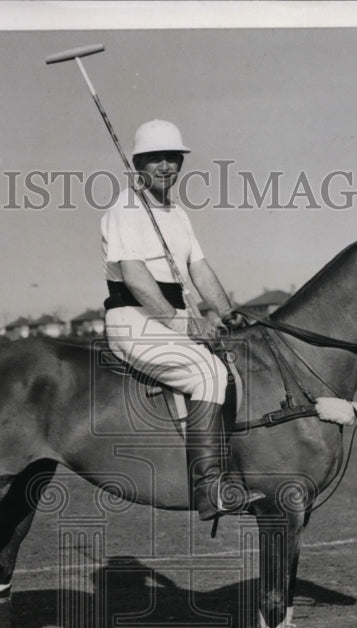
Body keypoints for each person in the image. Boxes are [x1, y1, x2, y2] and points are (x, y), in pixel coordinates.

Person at [101, 118, 263, 522]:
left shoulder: (178, 213)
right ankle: (209, 489)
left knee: (236, 363)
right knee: (206, 372)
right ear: (137, 163)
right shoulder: (124, 209)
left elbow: (200, 269)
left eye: (172, 157)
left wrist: (226, 311)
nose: (165, 166)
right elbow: (136, 278)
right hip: (134, 318)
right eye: (155, 158)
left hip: (171, 316)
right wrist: (184, 323)